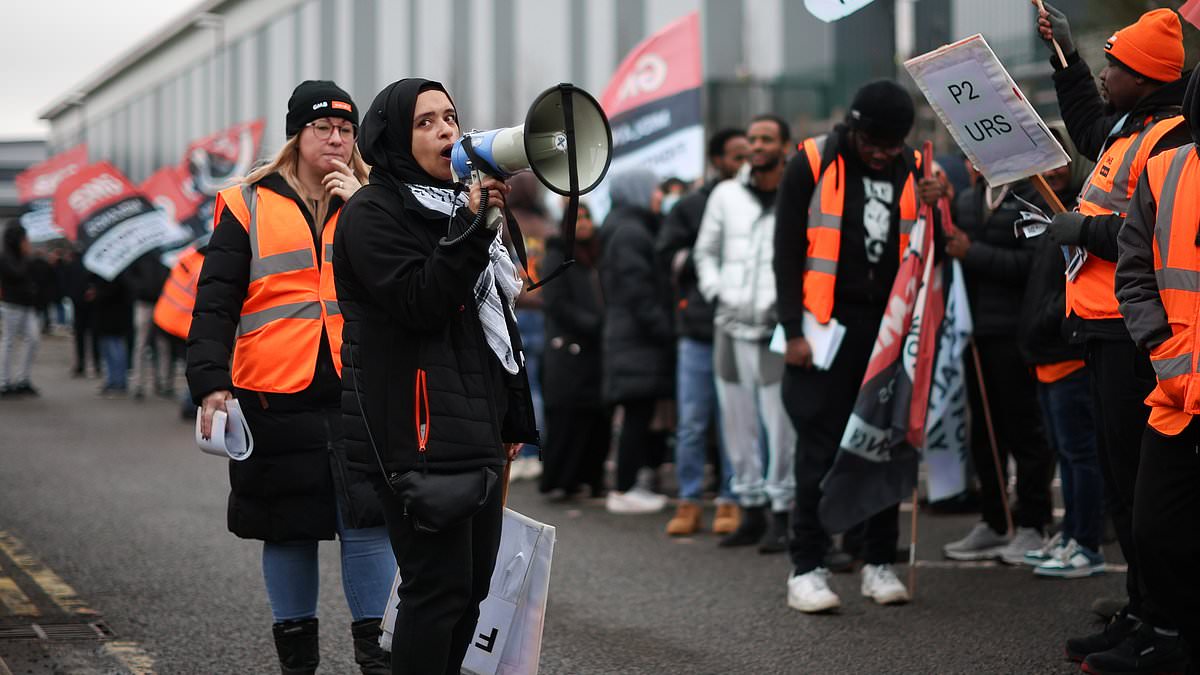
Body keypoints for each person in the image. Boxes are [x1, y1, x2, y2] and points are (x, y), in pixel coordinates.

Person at [186, 80, 393, 674]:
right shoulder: (245, 202)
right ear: (297, 136)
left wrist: (363, 205)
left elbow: (400, 275)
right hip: (274, 391)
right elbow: (216, 302)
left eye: (346, 130)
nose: (335, 139)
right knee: (288, 527)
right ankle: (297, 662)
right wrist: (210, 382)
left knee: (369, 522)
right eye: (322, 128)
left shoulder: (373, 198)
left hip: (358, 385)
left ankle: (375, 658)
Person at [333, 78, 538, 675]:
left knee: (472, 590)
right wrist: (471, 228)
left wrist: (510, 416)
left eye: (450, 117)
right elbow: (422, 301)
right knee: (436, 590)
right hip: (415, 430)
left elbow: (499, 315)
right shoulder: (373, 213)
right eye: (425, 122)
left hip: (475, 425)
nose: (446, 130)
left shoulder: (461, 205)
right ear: (395, 136)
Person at [1035, 4, 1192, 667]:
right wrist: (1064, 57)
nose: (1104, 71)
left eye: (1113, 65)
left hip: (1133, 338)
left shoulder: (1167, 138)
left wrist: (1085, 231)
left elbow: (1142, 234)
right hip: (1100, 326)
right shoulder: (1130, 128)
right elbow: (1087, 124)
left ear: (1147, 79)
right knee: (1125, 487)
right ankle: (1139, 609)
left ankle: (1160, 620)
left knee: (1141, 494)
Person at [775, 80, 945, 612]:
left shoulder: (918, 168)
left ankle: (878, 562)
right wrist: (793, 331)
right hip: (825, 326)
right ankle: (808, 567)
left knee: (884, 441)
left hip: (890, 327)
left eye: (892, 145)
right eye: (874, 142)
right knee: (819, 448)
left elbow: (934, 248)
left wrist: (939, 204)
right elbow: (784, 250)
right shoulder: (811, 160)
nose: (882, 153)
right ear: (853, 128)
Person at [1115, 65, 1200, 675]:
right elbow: (1135, 273)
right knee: (1154, 531)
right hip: (1176, 391)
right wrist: (1162, 351)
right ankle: (1170, 634)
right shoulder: (1167, 169)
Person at [940, 162, 1054, 565]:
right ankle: (994, 520)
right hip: (975, 333)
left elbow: (1034, 265)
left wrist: (974, 253)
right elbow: (945, 247)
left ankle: (1033, 524)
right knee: (984, 433)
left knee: (1023, 431)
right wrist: (937, 208)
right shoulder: (969, 199)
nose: (974, 160)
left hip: (1017, 332)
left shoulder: (1032, 196)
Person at [694, 116, 796, 552]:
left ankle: (782, 512)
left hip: (776, 329)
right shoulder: (725, 194)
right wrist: (719, 292)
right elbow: (705, 251)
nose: (756, 146)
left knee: (780, 424)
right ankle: (750, 508)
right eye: (752, 138)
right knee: (737, 423)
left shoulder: (798, 193)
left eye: (766, 139)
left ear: (784, 146)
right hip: (729, 326)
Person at [1012, 130, 1106, 579]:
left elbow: (1075, 279)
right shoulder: (1043, 211)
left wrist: (1051, 319)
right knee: (1066, 453)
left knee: (1079, 453)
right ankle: (1071, 535)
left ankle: (1087, 543)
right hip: (1045, 353)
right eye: (1042, 161)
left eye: (1058, 159)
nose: (1050, 170)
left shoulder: (1081, 209)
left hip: (1066, 352)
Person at [657, 128, 748, 536]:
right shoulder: (692, 206)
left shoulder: (758, 201)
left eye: (747, 155)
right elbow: (667, 257)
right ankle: (690, 500)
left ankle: (732, 498)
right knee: (693, 420)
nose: (743, 163)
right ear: (716, 160)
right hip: (697, 327)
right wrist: (709, 254)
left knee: (735, 420)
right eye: (735, 156)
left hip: (743, 325)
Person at [600, 168, 676, 514]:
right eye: (655, 189)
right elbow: (639, 290)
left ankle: (630, 484)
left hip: (630, 337)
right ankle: (625, 488)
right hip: (636, 340)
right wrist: (664, 328)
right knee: (636, 413)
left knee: (638, 413)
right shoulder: (632, 232)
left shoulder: (625, 227)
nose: (660, 195)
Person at [538, 202, 610, 501]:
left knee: (595, 419)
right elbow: (557, 304)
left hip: (595, 352)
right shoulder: (557, 256)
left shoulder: (596, 256)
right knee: (568, 420)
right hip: (568, 351)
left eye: (587, 217)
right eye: (576, 218)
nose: (583, 223)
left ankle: (589, 478)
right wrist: (595, 324)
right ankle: (561, 480)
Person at [0, 222, 42, 397]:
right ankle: (4, 381)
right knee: (9, 341)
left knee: (32, 339)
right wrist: (26, 257)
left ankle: (22, 378)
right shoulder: (5, 257)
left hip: (26, 303)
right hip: (12, 304)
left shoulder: (23, 257)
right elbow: (16, 274)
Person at [88, 271, 132, 397]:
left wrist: (97, 294)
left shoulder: (112, 276)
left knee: (113, 350)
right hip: (114, 318)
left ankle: (116, 381)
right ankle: (116, 380)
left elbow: (111, 292)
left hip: (110, 317)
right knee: (113, 349)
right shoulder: (119, 273)